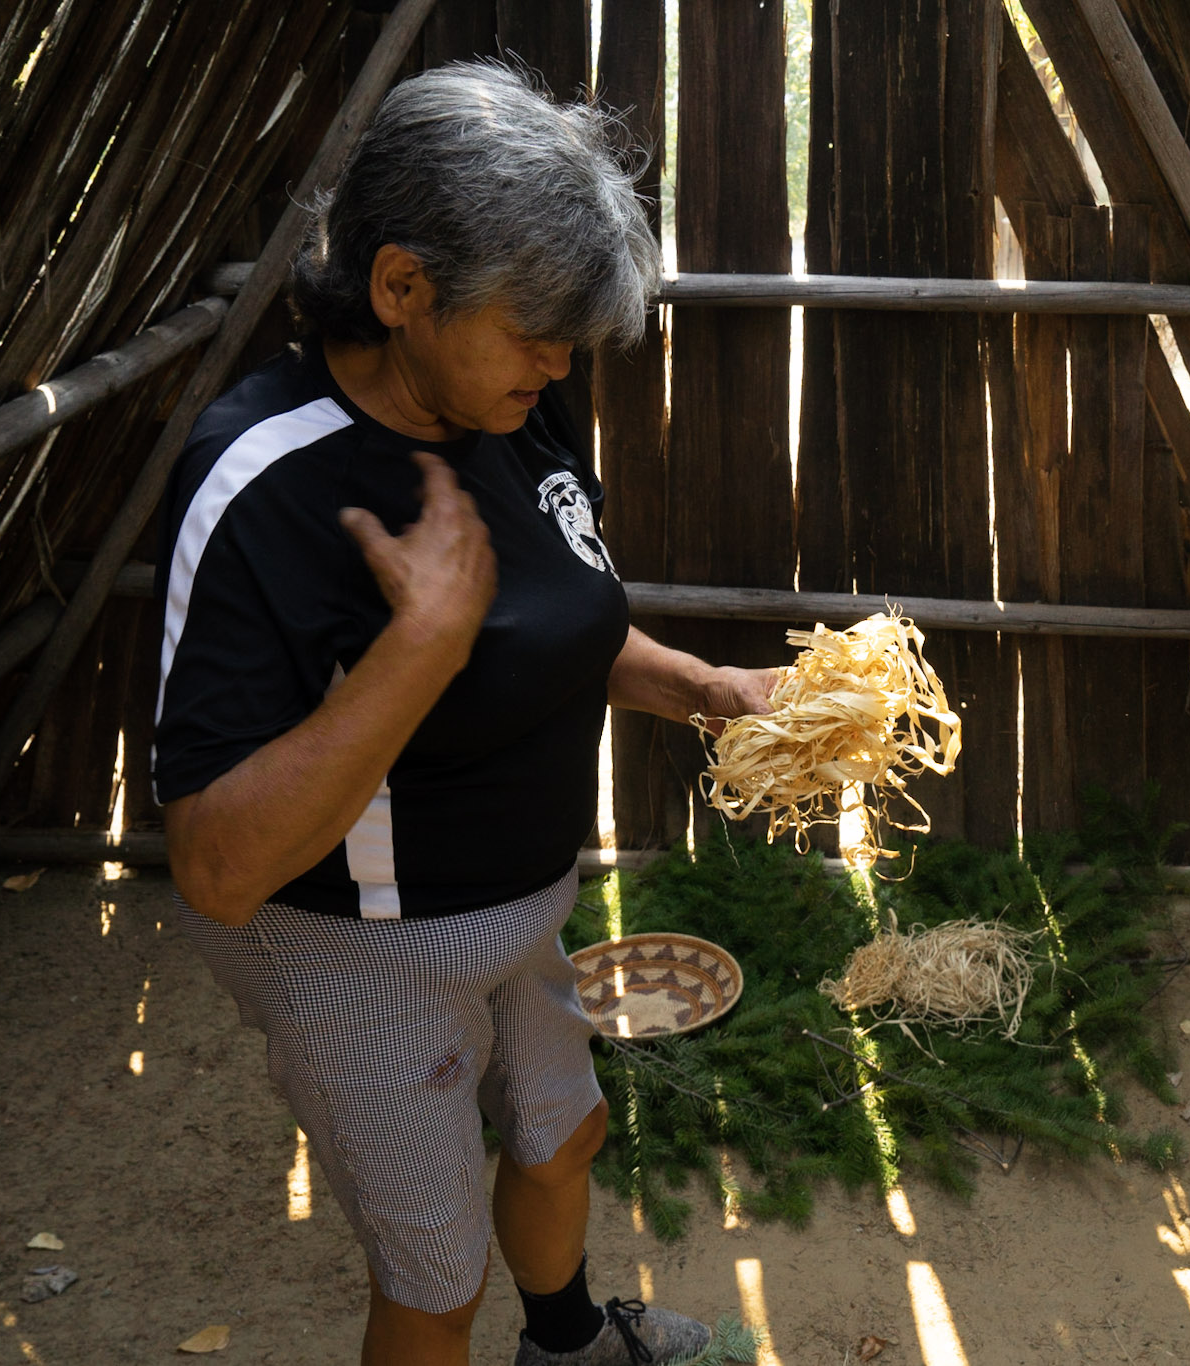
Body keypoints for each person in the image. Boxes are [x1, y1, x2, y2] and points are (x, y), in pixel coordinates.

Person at [152, 61, 771, 1366]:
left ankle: (568, 1343)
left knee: (562, 1134)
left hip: (524, 900)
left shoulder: (513, 406)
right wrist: (417, 645)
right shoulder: (261, 477)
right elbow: (213, 866)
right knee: (434, 1276)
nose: (558, 366)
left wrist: (704, 690)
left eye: (571, 336)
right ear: (399, 288)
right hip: (363, 948)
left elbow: (563, 624)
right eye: (535, 328)